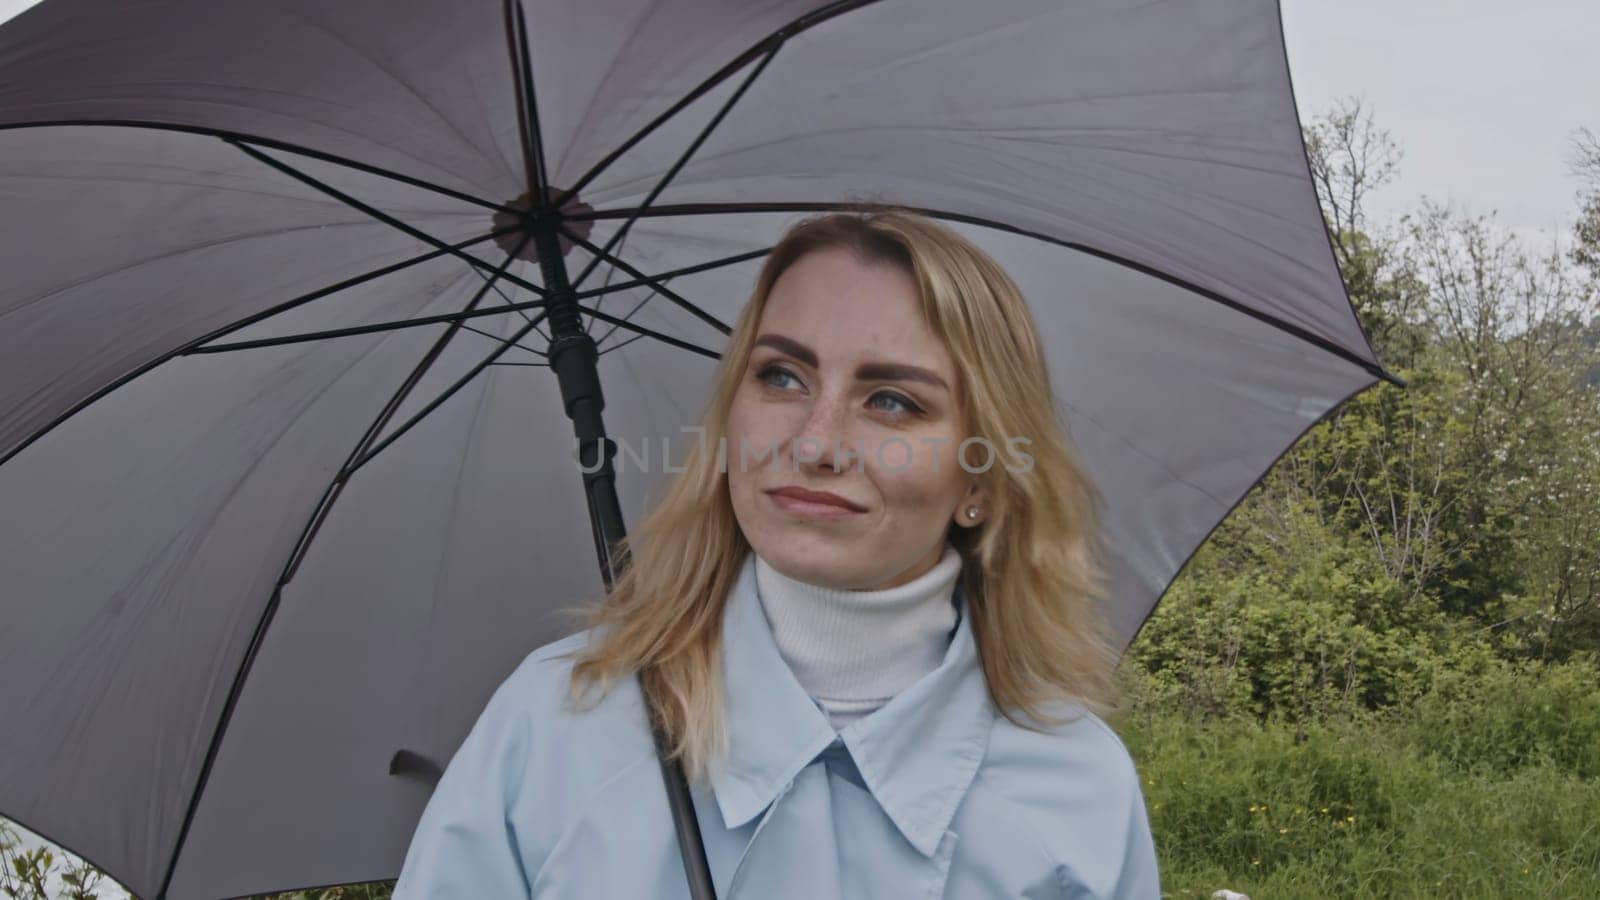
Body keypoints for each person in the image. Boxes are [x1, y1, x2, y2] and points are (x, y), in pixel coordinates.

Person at [391, 208, 1161, 898]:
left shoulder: (1078, 790)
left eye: (891, 400)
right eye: (781, 376)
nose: (817, 442)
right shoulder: (558, 725)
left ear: (983, 481)